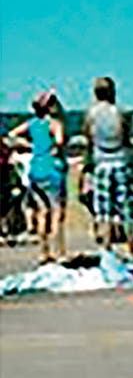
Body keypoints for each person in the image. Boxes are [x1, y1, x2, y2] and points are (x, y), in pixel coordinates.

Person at [5, 91, 67, 262]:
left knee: (42, 212)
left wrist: (30, 145)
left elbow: (11, 135)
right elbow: (60, 142)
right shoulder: (54, 124)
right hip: (52, 169)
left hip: (35, 170)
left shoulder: (31, 124)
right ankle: (59, 252)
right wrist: (53, 146)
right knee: (57, 212)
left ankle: (43, 252)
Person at [82, 76, 133, 255]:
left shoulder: (91, 113)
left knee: (103, 208)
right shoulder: (121, 112)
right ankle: (131, 248)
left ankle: (106, 246)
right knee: (126, 207)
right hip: (121, 160)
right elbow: (127, 138)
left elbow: (89, 140)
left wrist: (87, 164)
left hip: (101, 162)